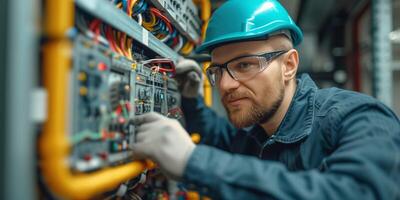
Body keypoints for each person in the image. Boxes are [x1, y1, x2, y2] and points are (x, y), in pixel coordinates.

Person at [132, 0, 400, 199]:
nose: (225, 85)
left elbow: (358, 192)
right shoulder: (256, 132)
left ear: (289, 65)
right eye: (217, 71)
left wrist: (194, 162)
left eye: (245, 65)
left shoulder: (361, 118)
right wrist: (190, 100)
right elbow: (217, 134)